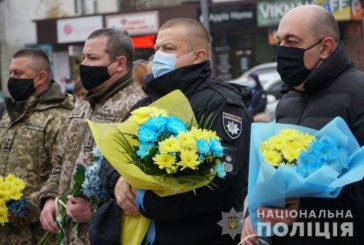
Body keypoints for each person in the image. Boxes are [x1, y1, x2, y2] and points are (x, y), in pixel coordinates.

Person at [100, 18, 252, 245]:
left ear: (199, 56)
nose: (159, 55)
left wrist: (146, 202)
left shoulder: (222, 105)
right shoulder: (145, 104)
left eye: (169, 49)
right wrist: (120, 180)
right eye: (157, 48)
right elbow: (108, 158)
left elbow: (224, 183)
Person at [241, 5, 364, 245]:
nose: (282, 50)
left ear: (325, 47)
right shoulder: (287, 100)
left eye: (292, 41)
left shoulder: (358, 94)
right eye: (280, 41)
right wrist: (253, 214)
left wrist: (304, 207)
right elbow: (269, 173)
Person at [38, 28, 145, 244]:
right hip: (68, 236)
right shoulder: (83, 107)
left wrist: (95, 210)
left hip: (108, 235)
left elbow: (140, 185)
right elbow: (59, 163)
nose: (84, 65)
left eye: (92, 58)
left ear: (120, 64)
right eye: (83, 57)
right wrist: (49, 199)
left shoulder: (140, 108)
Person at [0, 48, 73, 244]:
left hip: (39, 233)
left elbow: (65, 176)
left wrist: (23, 207)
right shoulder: (11, 115)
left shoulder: (59, 118)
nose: (12, 79)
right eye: (11, 74)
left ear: (40, 77)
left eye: (18, 74)